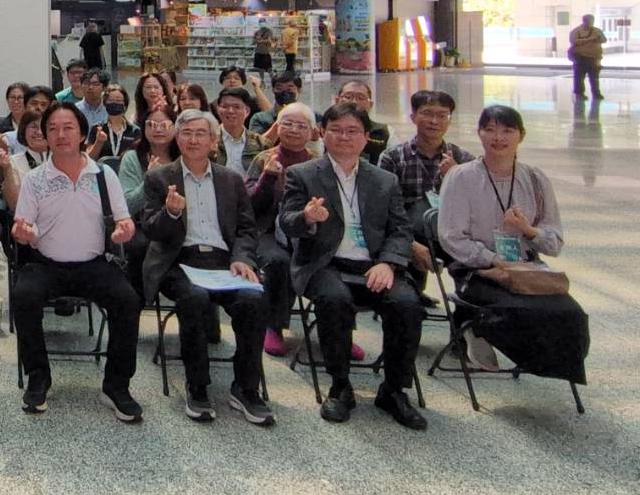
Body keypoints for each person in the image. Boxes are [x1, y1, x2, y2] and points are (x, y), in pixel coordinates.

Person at [280, 102, 427, 430]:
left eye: (352, 131)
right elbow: (287, 221)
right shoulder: (303, 174)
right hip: (325, 263)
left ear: (366, 137)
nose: (344, 137)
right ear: (323, 133)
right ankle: (340, 385)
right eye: (336, 130)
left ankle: (394, 389)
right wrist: (307, 217)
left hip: (374, 265)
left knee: (406, 304)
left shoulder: (385, 180)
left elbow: (400, 230)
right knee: (334, 300)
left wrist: (388, 263)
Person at [139, 110, 274, 425]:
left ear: (213, 141)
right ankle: (197, 385)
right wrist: (171, 214)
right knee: (194, 298)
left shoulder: (231, 180)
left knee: (253, 300)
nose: (193, 140)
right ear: (177, 139)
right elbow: (151, 230)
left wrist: (242, 258)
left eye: (201, 133)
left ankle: (246, 387)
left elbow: (246, 229)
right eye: (186, 133)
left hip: (225, 261)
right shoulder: (159, 178)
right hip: (179, 261)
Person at [10, 103, 142, 420]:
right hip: (46, 263)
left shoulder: (103, 175)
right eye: (52, 128)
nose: (60, 135)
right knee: (24, 296)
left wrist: (125, 230)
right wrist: (23, 233)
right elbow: (23, 227)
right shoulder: (35, 179)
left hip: (93, 264)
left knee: (127, 300)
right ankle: (38, 377)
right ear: (45, 136)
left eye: (68, 127)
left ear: (82, 133)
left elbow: (124, 220)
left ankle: (117, 385)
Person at [437, 105, 588, 383]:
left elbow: (554, 243)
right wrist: (493, 259)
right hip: (479, 271)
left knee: (571, 314)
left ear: (521, 135)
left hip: (526, 270)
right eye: (490, 130)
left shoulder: (535, 179)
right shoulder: (461, 177)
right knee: (514, 310)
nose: (499, 138)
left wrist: (528, 231)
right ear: (479, 134)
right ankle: (477, 330)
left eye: (508, 130)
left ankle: (551, 368)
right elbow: (451, 237)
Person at [243, 102, 323, 359]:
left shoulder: (319, 163)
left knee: (330, 260)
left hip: (307, 230)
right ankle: (274, 326)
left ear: (312, 131)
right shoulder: (263, 158)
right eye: (287, 124)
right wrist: (266, 178)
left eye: (301, 125)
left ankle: (338, 330)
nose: (293, 130)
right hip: (267, 230)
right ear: (277, 127)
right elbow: (249, 206)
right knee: (278, 262)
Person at [378, 89, 473, 261]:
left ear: (450, 120)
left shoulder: (464, 159)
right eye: (427, 113)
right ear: (413, 117)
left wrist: (455, 176)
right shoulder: (393, 157)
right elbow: (384, 208)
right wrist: (410, 243)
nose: (434, 121)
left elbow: (474, 208)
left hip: (453, 238)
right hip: (408, 237)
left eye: (442, 115)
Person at [117, 107, 178, 213]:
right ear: (144, 128)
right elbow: (127, 205)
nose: (158, 129)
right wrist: (149, 179)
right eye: (151, 124)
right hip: (142, 221)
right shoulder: (132, 158)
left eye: (164, 125)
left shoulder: (184, 157)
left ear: (176, 128)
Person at [0, 114, 49, 213]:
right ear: (23, 131)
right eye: (33, 127)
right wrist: (7, 168)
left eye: (44, 127)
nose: (39, 132)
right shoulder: (12, 162)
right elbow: (15, 205)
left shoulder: (61, 160)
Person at [212, 87, 265, 173]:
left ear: (247, 111)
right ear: (218, 110)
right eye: (225, 106)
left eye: (237, 107)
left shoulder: (260, 143)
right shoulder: (209, 139)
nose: (230, 111)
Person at [336, 80, 390, 164]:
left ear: (370, 104)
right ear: (337, 101)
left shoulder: (385, 132)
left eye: (360, 98)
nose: (354, 102)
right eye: (348, 97)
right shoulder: (324, 129)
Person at [88, 86, 139, 161]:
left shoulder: (135, 131)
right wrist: (99, 142)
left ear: (125, 104)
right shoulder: (97, 129)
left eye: (118, 100)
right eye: (110, 100)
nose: (114, 103)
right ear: (105, 103)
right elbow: (89, 159)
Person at [2, 85, 57, 155]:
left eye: (43, 104)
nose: (38, 108)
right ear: (25, 106)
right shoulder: (9, 138)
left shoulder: (56, 136)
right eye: (34, 103)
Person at [570, 13, 606, 100]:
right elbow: (573, 41)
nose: (591, 23)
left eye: (592, 21)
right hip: (580, 57)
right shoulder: (576, 31)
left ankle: (596, 94)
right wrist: (589, 39)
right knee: (579, 77)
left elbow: (604, 40)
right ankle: (579, 94)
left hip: (594, 58)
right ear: (584, 21)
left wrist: (598, 39)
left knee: (594, 78)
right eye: (589, 21)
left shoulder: (597, 30)